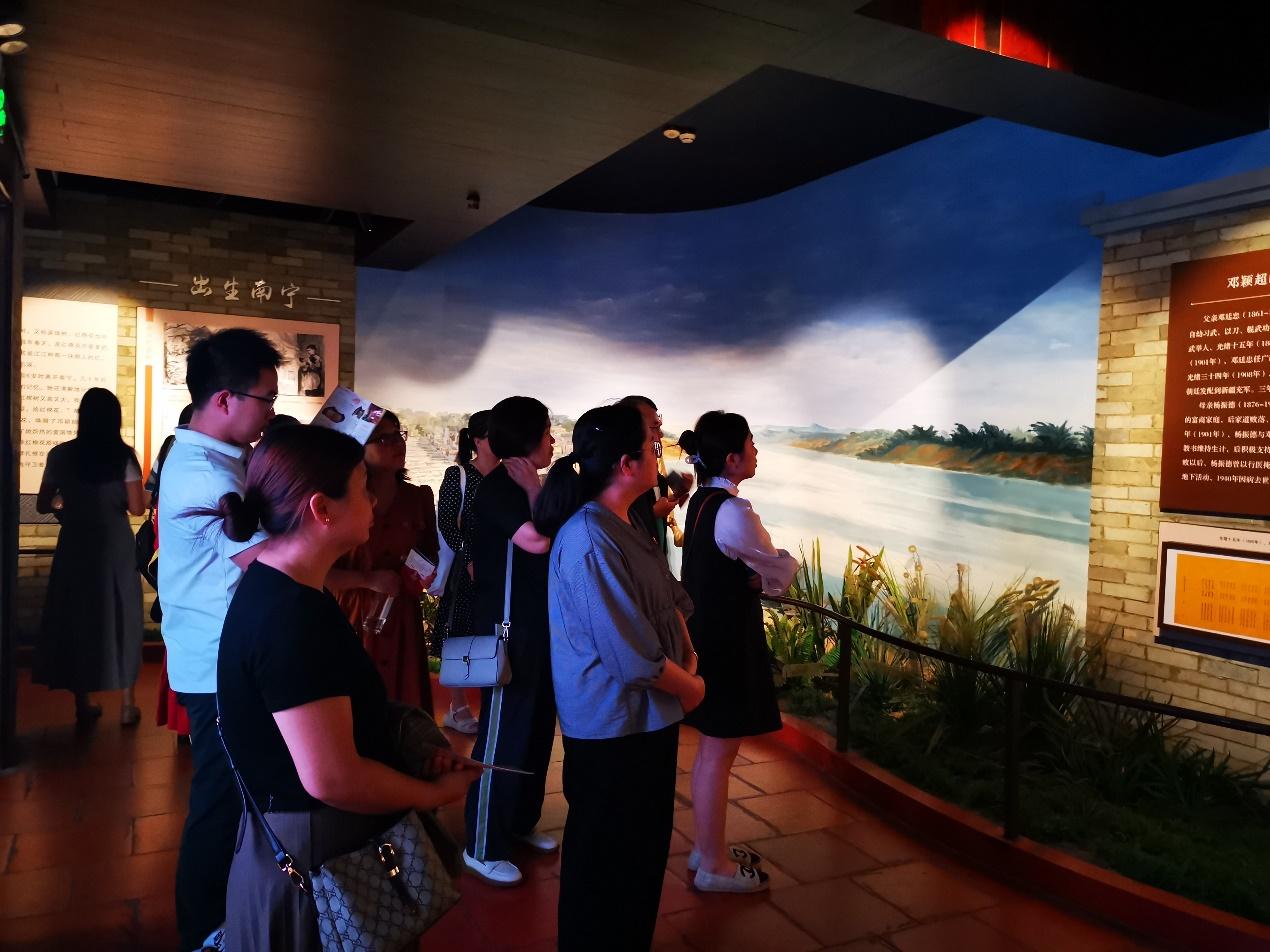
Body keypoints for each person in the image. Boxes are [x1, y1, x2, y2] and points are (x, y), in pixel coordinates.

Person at [212, 424, 480, 950]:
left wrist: (408, 754)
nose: (374, 500)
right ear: (322, 509)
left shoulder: (286, 587)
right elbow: (331, 777)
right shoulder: (292, 616)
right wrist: (433, 795)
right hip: (317, 854)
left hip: (305, 839)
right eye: (361, 488)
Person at [536, 404, 705, 950]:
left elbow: (668, 600)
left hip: (647, 721)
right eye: (653, 445)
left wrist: (686, 650)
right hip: (613, 728)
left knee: (640, 857)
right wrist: (692, 686)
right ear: (628, 463)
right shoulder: (589, 538)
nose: (661, 453)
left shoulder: (626, 522)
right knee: (606, 867)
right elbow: (631, 658)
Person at [159, 328, 280, 951]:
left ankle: (228, 915)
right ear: (225, 398)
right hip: (216, 660)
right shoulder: (204, 473)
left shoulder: (222, 456)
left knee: (237, 792)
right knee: (220, 800)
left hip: (228, 652)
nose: (272, 412)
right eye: (267, 399)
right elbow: (270, 558)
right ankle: (203, 929)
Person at [679, 411, 798, 893]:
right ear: (731, 458)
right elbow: (776, 571)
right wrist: (773, 571)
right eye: (751, 443)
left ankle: (706, 848)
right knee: (718, 753)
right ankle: (713, 864)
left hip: (705, 635)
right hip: (728, 640)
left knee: (712, 751)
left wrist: (752, 575)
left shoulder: (701, 502)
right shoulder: (734, 511)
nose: (756, 451)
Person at [462, 396, 556, 887]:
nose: (553, 440)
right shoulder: (499, 489)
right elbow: (538, 540)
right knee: (502, 735)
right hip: (506, 630)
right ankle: (481, 845)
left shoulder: (527, 485)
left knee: (535, 730)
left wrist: (536, 488)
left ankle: (519, 822)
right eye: (546, 431)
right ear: (526, 437)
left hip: (535, 627)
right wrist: (535, 489)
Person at [34, 387, 146, 724]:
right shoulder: (124, 457)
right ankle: (127, 704)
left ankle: (82, 703)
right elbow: (137, 508)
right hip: (115, 544)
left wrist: (64, 501)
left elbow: (43, 503)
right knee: (124, 615)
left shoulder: (61, 455)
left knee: (77, 616)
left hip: (76, 542)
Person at [328, 410, 439, 711]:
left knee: (403, 709)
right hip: (351, 616)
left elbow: (429, 553)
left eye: (398, 435)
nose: (397, 444)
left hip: (401, 617)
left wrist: (421, 574)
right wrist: (367, 580)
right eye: (383, 439)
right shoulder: (337, 500)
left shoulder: (418, 497)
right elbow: (316, 570)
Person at [434, 410, 495, 733]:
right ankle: (457, 707)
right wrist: (470, 558)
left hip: (496, 566)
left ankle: (489, 706)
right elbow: (448, 524)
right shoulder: (458, 475)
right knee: (460, 635)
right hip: (466, 569)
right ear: (477, 440)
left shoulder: (507, 477)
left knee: (492, 635)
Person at [617, 396, 692, 557]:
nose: (660, 434)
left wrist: (677, 494)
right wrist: (652, 514)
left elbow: (659, 498)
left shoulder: (656, 476)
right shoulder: (619, 486)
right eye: (655, 427)